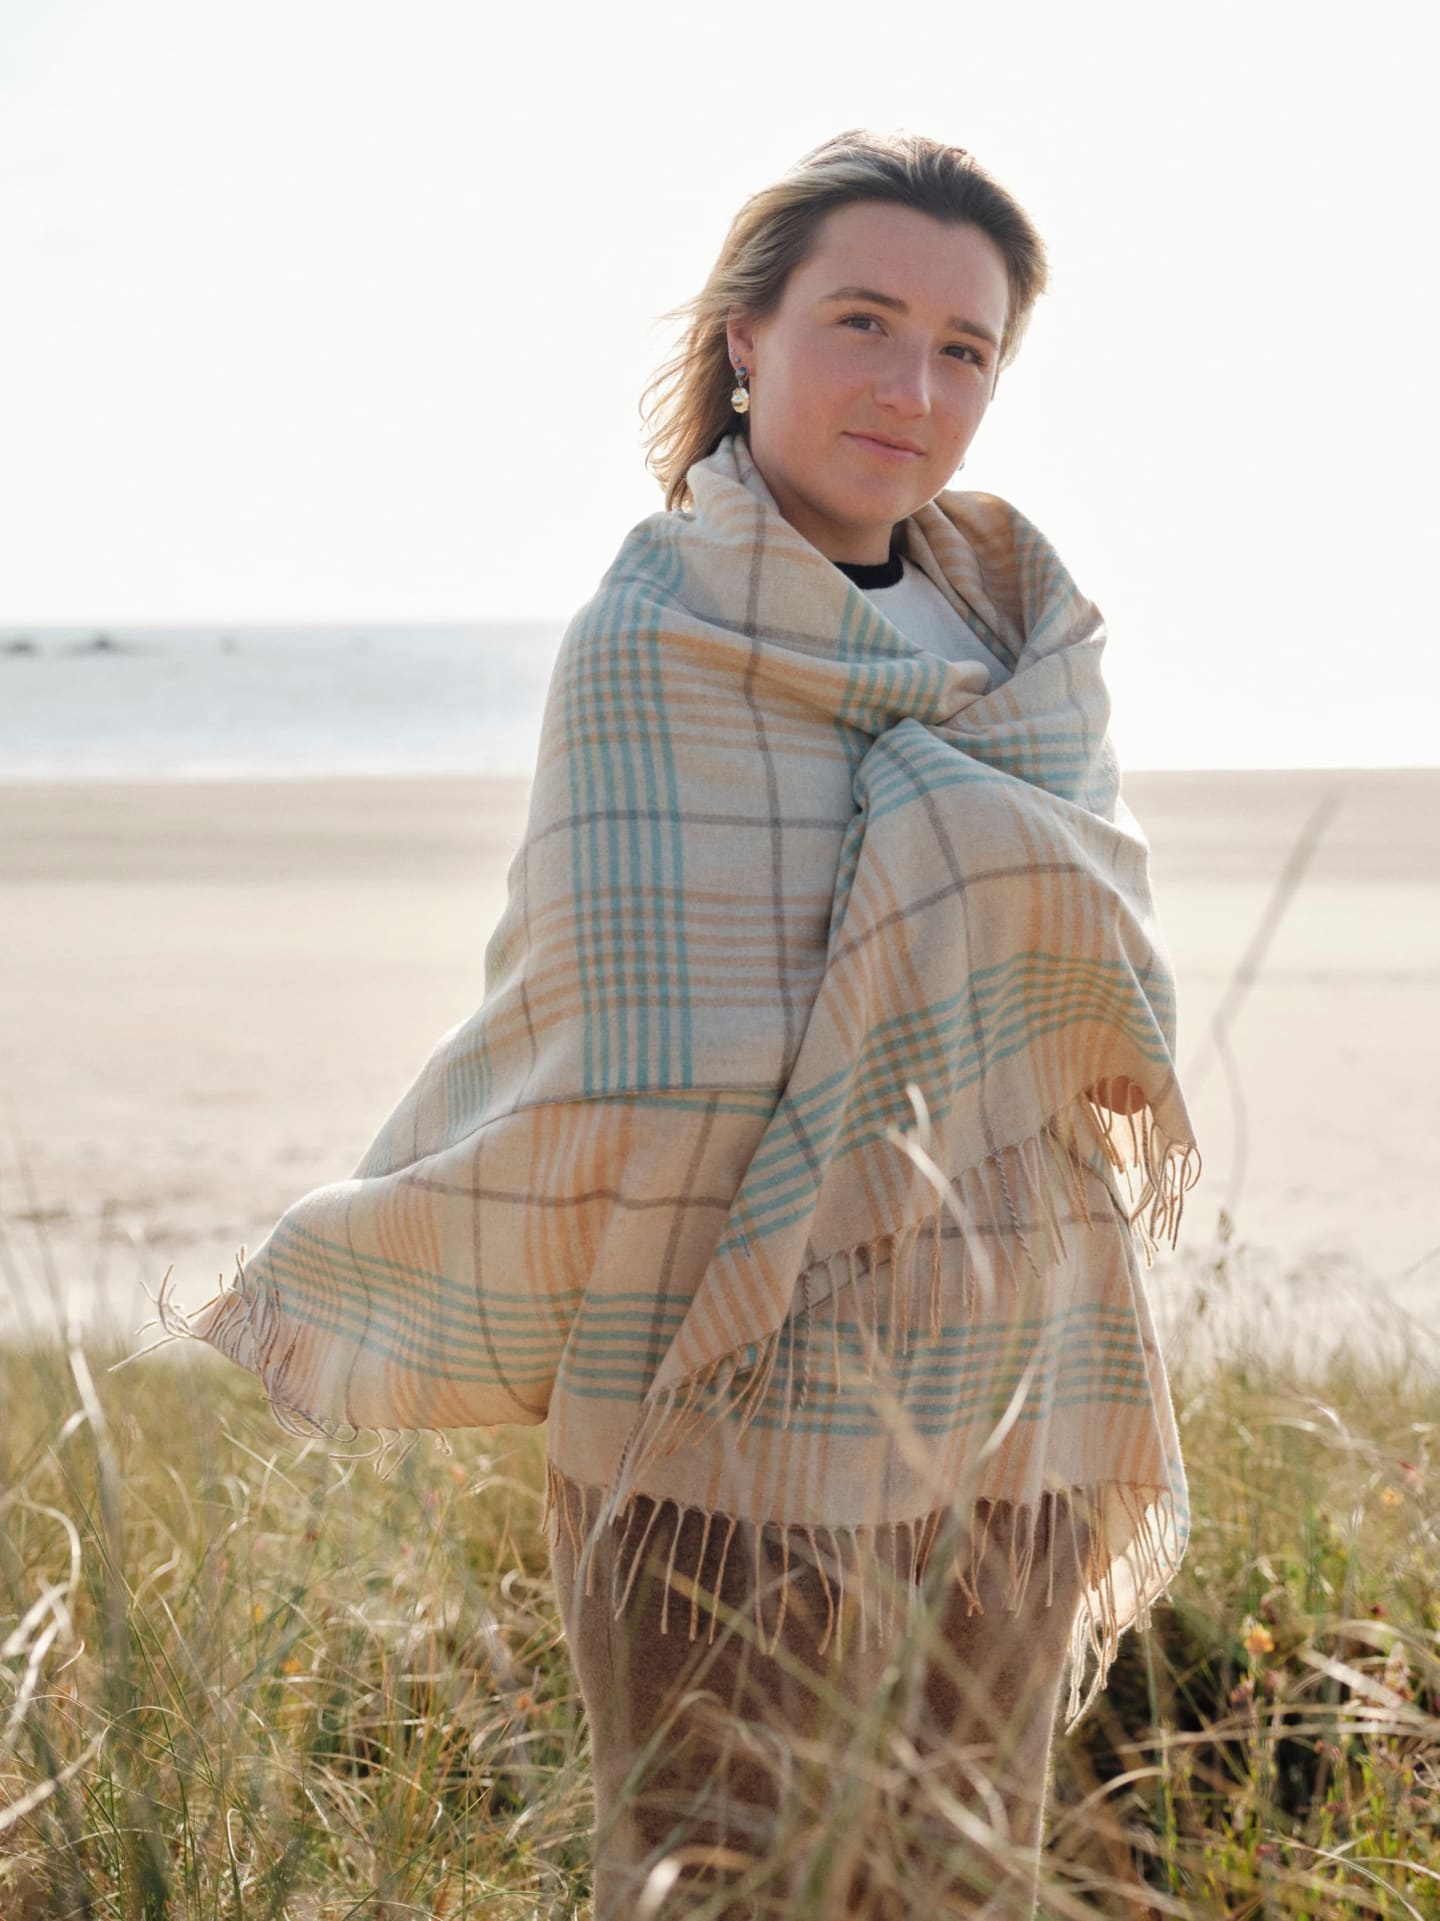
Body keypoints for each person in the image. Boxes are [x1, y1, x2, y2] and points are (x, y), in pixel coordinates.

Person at [165, 130, 1200, 1918]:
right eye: (863, 322)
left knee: (967, 1873)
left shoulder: (1031, 640)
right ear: (746, 338)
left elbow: (1096, 980)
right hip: (726, 1406)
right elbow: (628, 1050)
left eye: (964, 348)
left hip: (1013, 1391)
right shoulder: (652, 639)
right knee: (714, 1873)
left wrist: (946, 866)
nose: (913, 387)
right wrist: (951, 881)